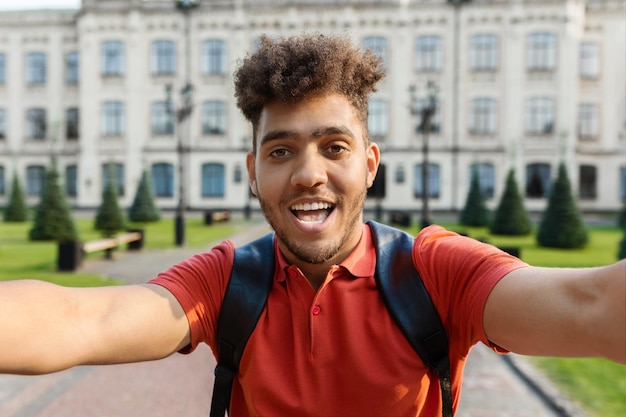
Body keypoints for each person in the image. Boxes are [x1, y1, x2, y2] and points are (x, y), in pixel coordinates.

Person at [0, 33, 624, 417]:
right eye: (281, 151)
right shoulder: (225, 282)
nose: (307, 174)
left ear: (370, 164)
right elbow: (85, 320)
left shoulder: (434, 274)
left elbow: (590, 304)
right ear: (252, 171)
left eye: (334, 146)